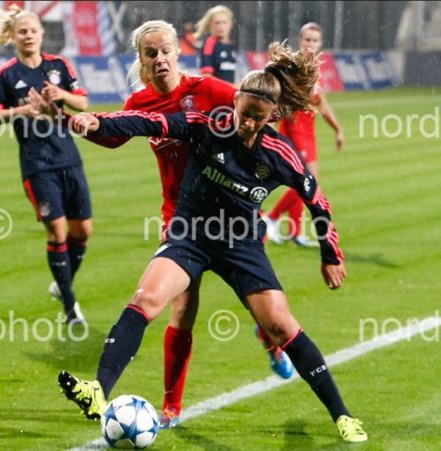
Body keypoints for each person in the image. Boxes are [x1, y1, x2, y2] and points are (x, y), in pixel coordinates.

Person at [57, 41, 367, 443]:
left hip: (241, 245)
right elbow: (149, 123)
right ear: (234, 100)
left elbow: (318, 203)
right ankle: (98, 389)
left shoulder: (280, 153)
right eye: (245, 112)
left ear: (272, 115)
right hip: (189, 235)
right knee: (146, 299)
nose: (248, 123)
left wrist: (330, 255)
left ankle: (342, 415)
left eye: (259, 117)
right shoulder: (205, 124)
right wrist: (97, 122)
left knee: (279, 323)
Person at [70, 20, 295, 429]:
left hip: (231, 220)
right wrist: (87, 125)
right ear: (141, 61)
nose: (160, 58)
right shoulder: (140, 101)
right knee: (182, 307)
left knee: (262, 307)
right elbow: (115, 134)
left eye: (165, 50)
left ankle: (270, 340)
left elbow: (252, 109)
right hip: (182, 220)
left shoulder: (208, 90)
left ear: (177, 52)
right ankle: (172, 407)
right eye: (151, 53)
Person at [0, 4, 91, 324]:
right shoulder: (6, 75)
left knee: (83, 230)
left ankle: (61, 283)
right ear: (13, 37)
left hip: (69, 158)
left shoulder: (59, 66)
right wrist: (21, 111)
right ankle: (70, 307)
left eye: (33, 31)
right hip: (37, 165)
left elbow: (83, 102)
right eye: (22, 32)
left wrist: (61, 95)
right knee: (57, 231)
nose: (28, 36)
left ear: (42, 35)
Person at [263, 23, 344, 248]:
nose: (310, 44)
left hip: (309, 133)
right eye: (307, 40)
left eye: (315, 41)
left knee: (301, 182)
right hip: (295, 130)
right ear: (300, 40)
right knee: (309, 182)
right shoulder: (295, 67)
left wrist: (337, 128)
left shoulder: (314, 69)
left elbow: (321, 103)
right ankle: (271, 217)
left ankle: (295, 231)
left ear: (320, 43)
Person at [194, 5, 236, 84]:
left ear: (231, 24)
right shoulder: (209, 44)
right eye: (217, 23)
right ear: (210, 25)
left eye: (224, 22)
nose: (221, 26)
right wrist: (229, 87)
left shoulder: (231, 45)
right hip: (216, 91)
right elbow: (206, 76)